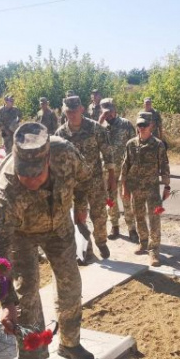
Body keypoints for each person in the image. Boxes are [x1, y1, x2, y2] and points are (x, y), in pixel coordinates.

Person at [0, 122, 97, 359]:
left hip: (60, 227)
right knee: (27, 293)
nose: (31, 181)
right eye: (26, 174)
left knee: (71, 286)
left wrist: (81, 205)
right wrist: (6, 301)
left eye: (37, 174)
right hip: (21, 235)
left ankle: (70, 344)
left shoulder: (65, 153)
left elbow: (85, 178)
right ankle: (29, 358)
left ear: (48, 161)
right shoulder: (6, 191)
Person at [55, 95, 115, 260]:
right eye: (68, 111)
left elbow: (108, 153)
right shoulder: (61, 133)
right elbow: (57, 160)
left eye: (75, 111)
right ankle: (85, 248)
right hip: (75, 185)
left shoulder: (95, 128)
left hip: (95, 180)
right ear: (64, 112)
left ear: (81, 109)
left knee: (99, 215)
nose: (72, 114)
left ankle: (101, 242)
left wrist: (111, 177)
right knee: (79, 217)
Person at [121, 112, 171, 267]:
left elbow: (164, 166)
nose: (141, 128)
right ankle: (143, 242)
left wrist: (167, 186)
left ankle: (154, 250)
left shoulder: (158, 145)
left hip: (152, 190)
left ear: (151, 126)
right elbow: (125, 167)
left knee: (155, 219)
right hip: (136, 189)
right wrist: (125, 188)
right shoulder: (130, 144)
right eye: (139, 125)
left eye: (144, 125)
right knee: (139, 216)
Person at [98, 98, 137, 242]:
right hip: (107, 171)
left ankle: (132, 228)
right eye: (105, 111)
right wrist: (101, 119)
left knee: (126, 198)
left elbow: (135, 145)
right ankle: (114, 226)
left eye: (110, 110)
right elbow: (92, 139)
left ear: (115, 110)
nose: (108, 114)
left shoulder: (125, 124)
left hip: (124, 170)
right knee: (110, 200)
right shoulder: (100, 126)